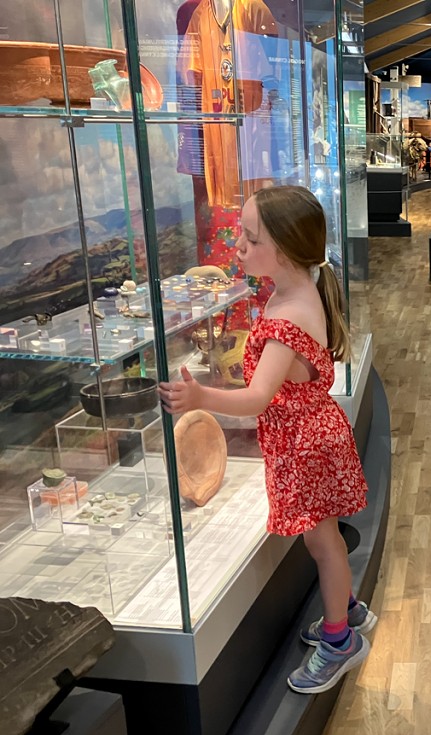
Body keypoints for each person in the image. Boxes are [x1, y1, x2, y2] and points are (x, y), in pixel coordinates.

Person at [158, 185, 376, 694]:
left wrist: (200, 397)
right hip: (308, 436)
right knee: (320, 538)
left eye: (251, 239)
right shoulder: (298, 289)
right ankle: (345, 609)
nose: (238, 247)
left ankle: (340, 640)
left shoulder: (286, 317)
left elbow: (258, 398)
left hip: (307, 443)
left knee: (323, 542)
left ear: (285, 249)